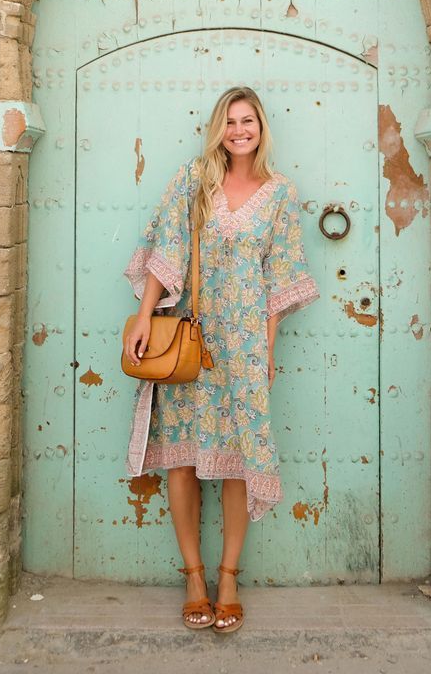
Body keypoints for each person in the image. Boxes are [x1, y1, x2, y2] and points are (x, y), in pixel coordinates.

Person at [122, 86, 319, 633]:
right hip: (192, 342)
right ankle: (193, 578)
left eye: (248, 120)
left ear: (261, 128)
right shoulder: (195, 181)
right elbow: (166, 248)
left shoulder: (280, 193)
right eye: (230, 121)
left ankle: (228, 579)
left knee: (237, 462)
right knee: (183, 461)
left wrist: (268, 348)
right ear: (219, 127)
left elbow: (279, 277)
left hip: (246, 347)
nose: (239, 130)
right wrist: (144, 316)